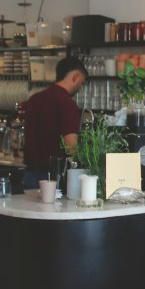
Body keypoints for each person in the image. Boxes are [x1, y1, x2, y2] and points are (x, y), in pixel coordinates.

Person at [20, 56, 88, 189]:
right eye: (82, 83)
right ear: (75, 77)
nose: (81, 88)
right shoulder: (66, 103)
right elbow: (71, 146)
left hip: (29, 174)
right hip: (51, 177)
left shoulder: (34, 99)